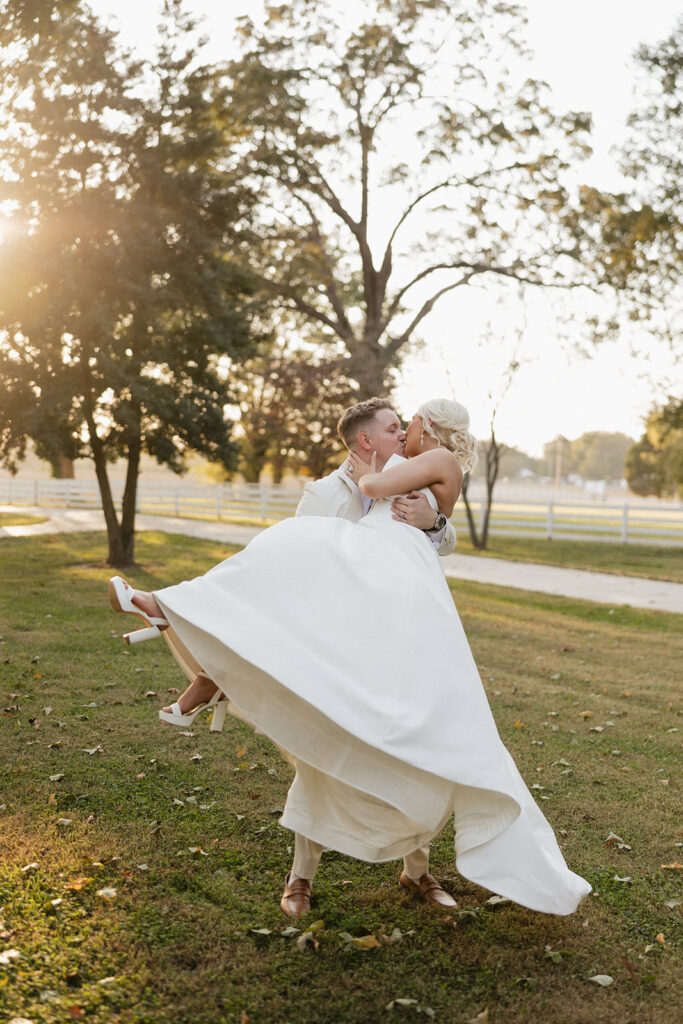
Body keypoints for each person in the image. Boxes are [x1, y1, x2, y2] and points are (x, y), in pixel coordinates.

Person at [108, 397, 591, 920]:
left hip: (399, 636)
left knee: (416, 742)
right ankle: (300, 877)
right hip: (335, 655)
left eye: (405, 425)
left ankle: (417, 869)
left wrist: (434, 520)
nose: (401, 431)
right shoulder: (322, 494)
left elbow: (440, 537)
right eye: (393, 427)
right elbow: (286, 580)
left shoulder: (416, 473)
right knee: (324, 757)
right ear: (368, 441)